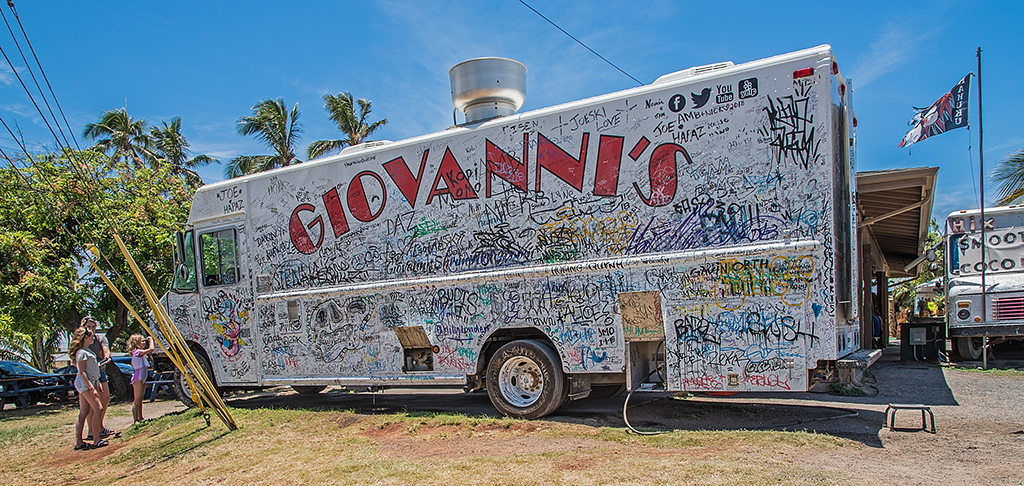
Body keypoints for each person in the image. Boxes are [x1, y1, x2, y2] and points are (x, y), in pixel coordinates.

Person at [70, 327, 107, 450]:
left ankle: (79, 441)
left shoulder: (87, 351)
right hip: (85, 384)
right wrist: (91, 388)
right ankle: (97, 439)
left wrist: (97, 382)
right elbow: (83, 372)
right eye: (91, 335)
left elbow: (92, 370)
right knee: (98, 408)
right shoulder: (82, 353)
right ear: (85, 337)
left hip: (89, 382)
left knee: (84, 411)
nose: (93, 337)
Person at [82, 316, 114, 439]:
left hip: (100, 371)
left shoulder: (100, 338)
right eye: (88, 327)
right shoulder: (82, 340)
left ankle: (99, 426)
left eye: (93, 326)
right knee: (92, 403)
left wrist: (106, 357)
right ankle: (92, 431)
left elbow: (106, 349)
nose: (91, 329)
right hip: (89, 374)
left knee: (105, 398)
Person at [127, 334, 155, 423]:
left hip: (142, 376)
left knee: (141, 399)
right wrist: (151, 340)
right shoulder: (137, 352)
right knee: (137, 400)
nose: (144, 343)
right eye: (142, 341)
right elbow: (151, 349)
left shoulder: (140, 353)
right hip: (138, 377)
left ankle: (140, 417)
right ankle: (136, 419)